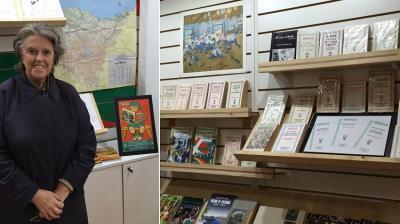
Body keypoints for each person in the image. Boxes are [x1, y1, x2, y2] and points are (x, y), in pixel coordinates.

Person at [0, 23, 96, 223]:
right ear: (21, 54)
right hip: (20, 207)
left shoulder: (69, 94)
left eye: (46, 52)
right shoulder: (4, 96)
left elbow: (86, 146)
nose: (39, 59)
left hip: (66, 205)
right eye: (32, 51)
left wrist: (60, 193)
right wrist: (35, 194)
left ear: (55, 56)